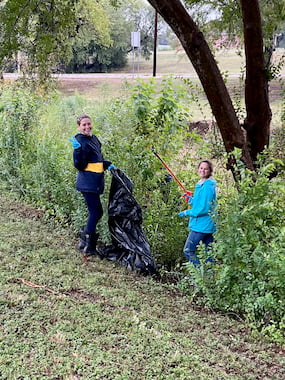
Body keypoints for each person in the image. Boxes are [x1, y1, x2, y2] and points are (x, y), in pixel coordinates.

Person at [69, 114, 115, 256]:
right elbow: (80, 165)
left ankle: (84, 240)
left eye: (89, 124)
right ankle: (89, 247)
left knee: (96, 212)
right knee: (96, 212)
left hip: (95, 181)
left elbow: (96, 159)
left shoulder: (93, 139)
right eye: (84, 125)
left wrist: (107, 164)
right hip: (87, 182)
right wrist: (77, 151)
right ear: (79, 127)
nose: (87, 127)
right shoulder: (80, 140)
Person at [178, 160, 217, 267]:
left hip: (202, 225)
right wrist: (191, 200)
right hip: (207, 225)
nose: (203, 170)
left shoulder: (208, 186)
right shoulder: (202, 184)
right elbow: (201, 202)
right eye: (201, 168)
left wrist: (186, 212)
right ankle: (210, 277)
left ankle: (200, 273)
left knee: (188, 250)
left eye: (206, 169)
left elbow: (203, 208)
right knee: (209, 254)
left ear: (210, 171)